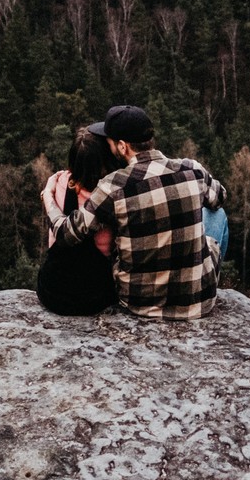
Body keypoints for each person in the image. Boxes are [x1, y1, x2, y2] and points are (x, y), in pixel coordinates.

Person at [40, 104, 227, 320]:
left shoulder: (113, 186)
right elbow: (220, 198)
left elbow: (66, 234)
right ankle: (195, 281)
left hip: (139, 303)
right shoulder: (192, 168)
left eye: (109, 142)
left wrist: (48, 197)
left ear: (122, 146)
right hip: (200, 303)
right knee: (217, 215)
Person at [35, 128, 121, 315]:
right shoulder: (111, 196)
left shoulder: (61, 182)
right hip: (95, 295)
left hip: (53, 292)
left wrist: (48, 194)